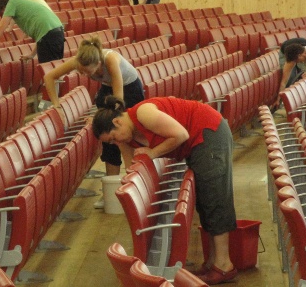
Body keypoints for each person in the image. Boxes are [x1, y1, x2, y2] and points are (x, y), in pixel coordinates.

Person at [92, 96, 238, 285]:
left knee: (215, 198)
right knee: (205, 201)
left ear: (117, 122)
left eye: (113, 138)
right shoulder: (126, 137)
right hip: (196, 143)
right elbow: (132, 170)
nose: (114, 142)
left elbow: (181, 135)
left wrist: (152, 153)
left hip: (208, 133)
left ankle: (224, 265)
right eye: (110, 142)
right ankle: (213, 262)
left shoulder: (143, 114)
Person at [43, 37, 144, 209]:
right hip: (107, 88)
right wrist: (56, 104)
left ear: (98, 63)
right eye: (82, 72)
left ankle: (134, 187)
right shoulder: (80, 61)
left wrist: (100, 118)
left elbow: (117, 103)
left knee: (123, 135)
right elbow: (49, 77)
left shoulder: (110, 60)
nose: (85, 75)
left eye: (88, 72)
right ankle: (110, 193)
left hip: (129, 89)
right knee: (108, 141)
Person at [0, 0, 64, 63]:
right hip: (58, 32)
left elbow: (2, 26)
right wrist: (32, 54)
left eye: (3, 12)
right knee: (54, 69)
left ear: (3, 8)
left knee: (49, 72)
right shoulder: (22, 5)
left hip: (49, 35)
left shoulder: (12, 2)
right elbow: (42, 37)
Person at [272, 38, 306, 111]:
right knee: (290, 78)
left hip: (299, 49)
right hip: (285, 50)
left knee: (303, 74)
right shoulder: (290, 58)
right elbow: (284, 81)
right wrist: (278, 99)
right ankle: (284, 101)